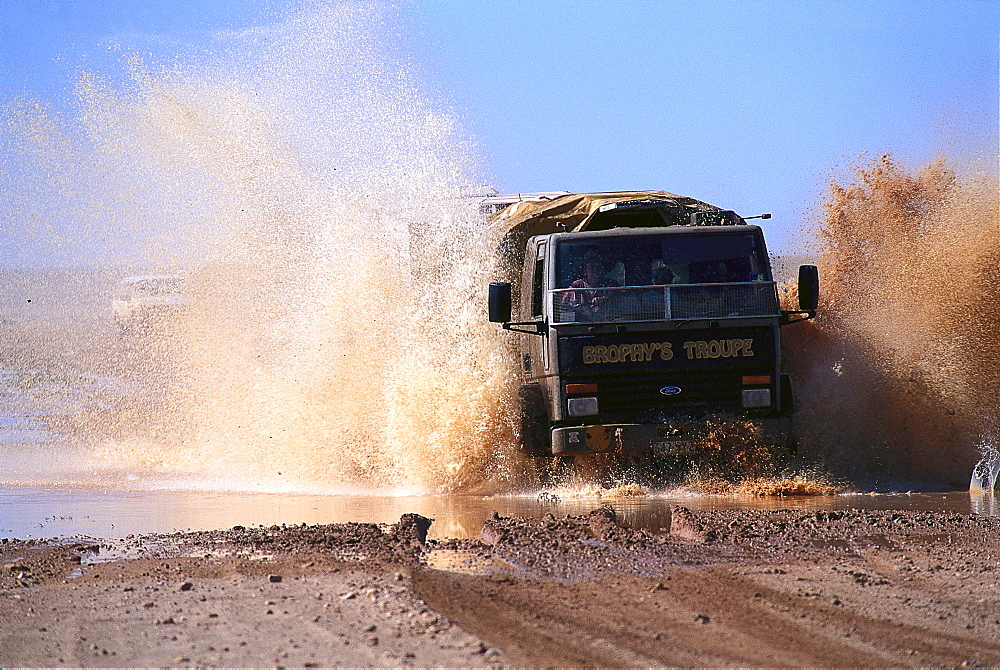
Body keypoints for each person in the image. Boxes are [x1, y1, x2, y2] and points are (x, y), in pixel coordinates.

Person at [561, 251, 615, 321]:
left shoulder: (611, 284)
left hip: (607, 322)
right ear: (585, 270)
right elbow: (565, 308)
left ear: (603, 270)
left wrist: (605, 299)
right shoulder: (576, 286)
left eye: (599, 267)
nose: (595, 271)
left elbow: (620, 300)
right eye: (591, 268)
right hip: (581, 325)